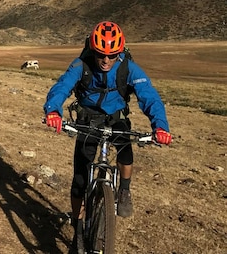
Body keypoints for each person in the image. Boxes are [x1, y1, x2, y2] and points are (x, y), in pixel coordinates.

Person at [43, 21, 172, 253]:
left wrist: (160, 127)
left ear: (120, 52)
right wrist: (53, 110)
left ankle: (123, 189)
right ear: (93, 50)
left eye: (112, 55)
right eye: (101, 54)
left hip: (116, 118)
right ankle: (78, 227)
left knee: (126, 151)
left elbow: (149, 96)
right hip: (88, 120)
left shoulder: (128, 68)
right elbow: (61, 86)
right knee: (80, 179)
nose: (105, 60)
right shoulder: (80, 65)